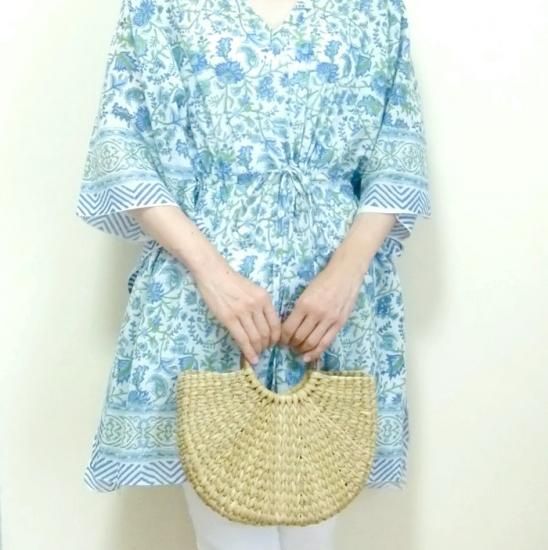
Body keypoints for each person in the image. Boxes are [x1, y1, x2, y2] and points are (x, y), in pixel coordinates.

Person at [75, 0, 432, 546]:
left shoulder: (375, 9)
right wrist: (214, 277)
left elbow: (397, 152)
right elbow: (122, 150)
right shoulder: (160, 7)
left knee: (315, 535)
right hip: (204, 306)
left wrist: (346, 276)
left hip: (334, 310)